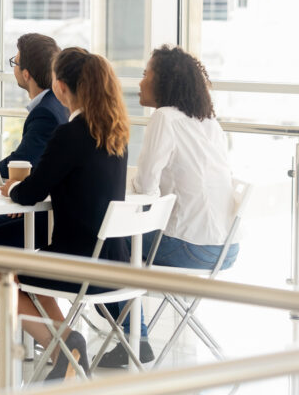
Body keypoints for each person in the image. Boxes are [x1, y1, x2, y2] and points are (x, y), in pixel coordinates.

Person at [0, 47, 130, 382]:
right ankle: (67, 346)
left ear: (60, 87)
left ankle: (62, 347)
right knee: (30, 262)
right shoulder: (116, 133)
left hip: (79, 264)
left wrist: (12, 189)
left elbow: (32, 192)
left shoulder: (71, 134)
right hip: (117, 264)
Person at [97, 45, 236, 368]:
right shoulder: (209, 122)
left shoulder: (164, 118)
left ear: (165, 82)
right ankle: (133, 335)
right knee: (116, 243)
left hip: (189, 247)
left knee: (106, 242)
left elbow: (146, 188)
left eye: (146, 74)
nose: (139, 82)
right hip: (225, 248)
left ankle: (136, 337)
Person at [0, 34, 66, 339]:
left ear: (25, 73)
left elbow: (24, 161)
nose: (13, 68)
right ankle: (18, 319)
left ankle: (22, 319)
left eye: (15, 62)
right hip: (51, 206)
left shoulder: (46, 111)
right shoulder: (55, 104)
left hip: (49, 217)